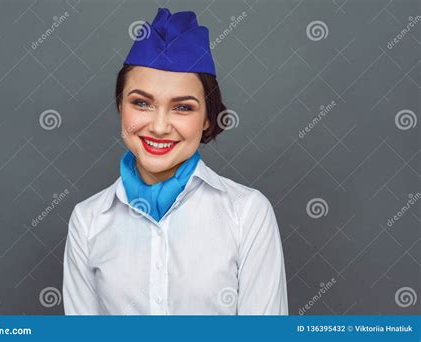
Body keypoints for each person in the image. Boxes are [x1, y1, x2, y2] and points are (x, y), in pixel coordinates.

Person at [63, 7, 288, 315]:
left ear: (208, 118)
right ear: (120, 107)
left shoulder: (247, 214)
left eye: (182, 108)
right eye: (141, 103)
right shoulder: (88, 221)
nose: (158, 126)